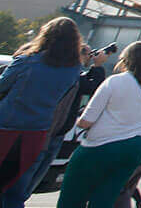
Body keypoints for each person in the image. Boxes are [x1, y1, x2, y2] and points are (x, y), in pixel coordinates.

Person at [56, 41, 141, 208]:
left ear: (126, 59)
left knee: (72, 193)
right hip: (135, 146)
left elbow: (87, 121)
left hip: (101, 145)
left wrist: (78, 120)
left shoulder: (115, 81)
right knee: (106, 195)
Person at [2, 43, 109, 208]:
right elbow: (92, 86)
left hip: (52, 134)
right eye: (85, 52)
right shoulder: (66, 74)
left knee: (22, 188)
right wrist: (97, 66)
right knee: (18, 189)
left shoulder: (67, 72)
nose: (89, 56)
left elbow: (91, 87)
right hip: (40, 133)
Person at [0, 18, 82, 194]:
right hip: (37, 131)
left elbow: (2, 85)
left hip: (6, 125)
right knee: (15, 190)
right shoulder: (74, 70)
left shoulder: (26, 61)